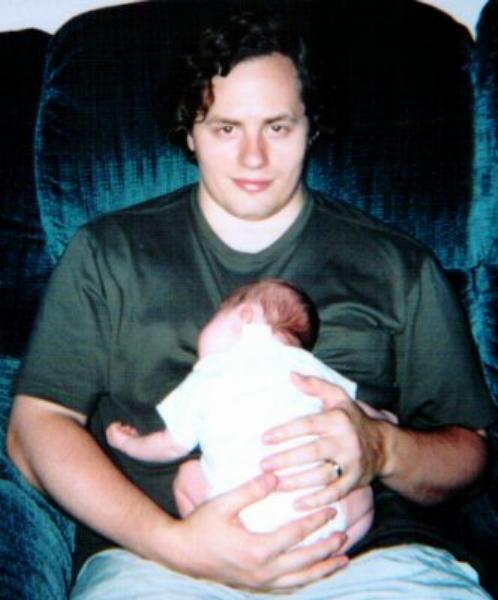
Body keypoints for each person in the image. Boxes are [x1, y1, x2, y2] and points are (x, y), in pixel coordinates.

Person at [6, 10, 497, 599]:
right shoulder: (108, 254)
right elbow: (35, 428)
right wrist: (174, 543)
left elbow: (468, 453)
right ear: (191, 132)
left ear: (310, 127)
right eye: (226, 129)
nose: (254, 158)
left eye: (278, 127)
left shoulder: (398, 264)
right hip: (160, 560)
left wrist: (383, 448)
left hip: (368, 557)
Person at [106, 278, 374, 548]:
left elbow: (171, 445)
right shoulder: (309, 367)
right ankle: (326, 552)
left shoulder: (209, 373)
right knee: (363, 495)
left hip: (235, 526)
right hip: (319, 518)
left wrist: (128, 443)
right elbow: (355, 414)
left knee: (187, 474)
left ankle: (208, 550)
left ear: (244, 315)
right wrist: (386, 419)